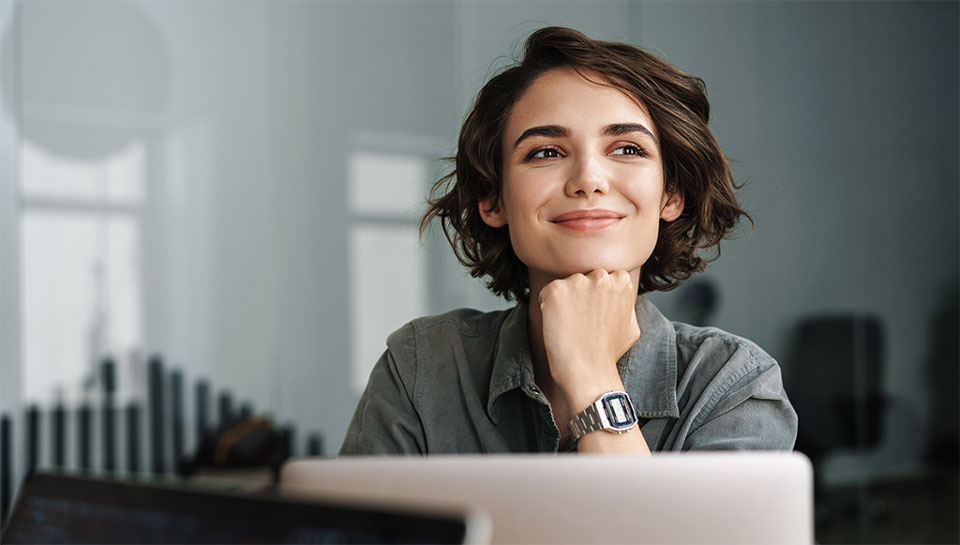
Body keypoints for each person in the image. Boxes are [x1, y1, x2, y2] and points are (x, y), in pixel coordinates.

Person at [340, 26, 797, 455]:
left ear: (670, 195)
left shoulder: (733, 385)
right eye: (545, 152)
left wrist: (591, 375)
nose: (588, 180)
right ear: (492, 199)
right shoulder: (420, 368)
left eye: (627, 149)